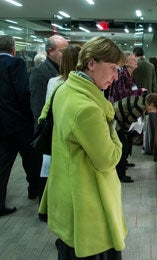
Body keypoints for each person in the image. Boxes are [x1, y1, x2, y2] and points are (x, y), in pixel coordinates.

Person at [38, 36, 126, 259]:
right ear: (91, 63)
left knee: (68, 249)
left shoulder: (65, 89)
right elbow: (108, 159)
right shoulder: (88, 108)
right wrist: (113, 129)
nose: (116, 77)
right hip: (87, 201)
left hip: (66, 189)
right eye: (113, 68)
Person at [0, 35, 42, 216]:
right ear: (13, 49)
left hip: (2, 126)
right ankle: (35, 191)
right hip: (19, 124)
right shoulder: (15, 64)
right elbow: (24, 93)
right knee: (32, 159)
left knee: (2, 165)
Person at [38, 44, 81, 222]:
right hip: (73, 138)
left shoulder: (54, 82)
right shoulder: (84, 85)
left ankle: (48, 211)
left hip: (56, 136)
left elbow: (47, 110)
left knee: (53, 177)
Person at [112, 93, 157, 182]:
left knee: (126, 144)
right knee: (123, 146)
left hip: (118, 119)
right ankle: (120, 175)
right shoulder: (140, 107)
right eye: (155, 109)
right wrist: (124, 134)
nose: (154, 112)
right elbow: (128, 122)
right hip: (115, 119)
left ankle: (123, 164)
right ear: (151, 104)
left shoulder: (142, 101)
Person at [30, 35, 69, 126]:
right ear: (50, 51)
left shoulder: (64, 69)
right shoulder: (39, 72)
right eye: (63, 51)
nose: (67, 55)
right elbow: (38, 107)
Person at [132, 47, 157, 155]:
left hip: (135, 97)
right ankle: (145, 141)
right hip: (148, 97)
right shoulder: (151, 66)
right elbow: (154, 83)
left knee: (136, 119)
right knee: (146, 121)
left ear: (135, 55)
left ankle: (137, 138)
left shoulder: (134, 66)